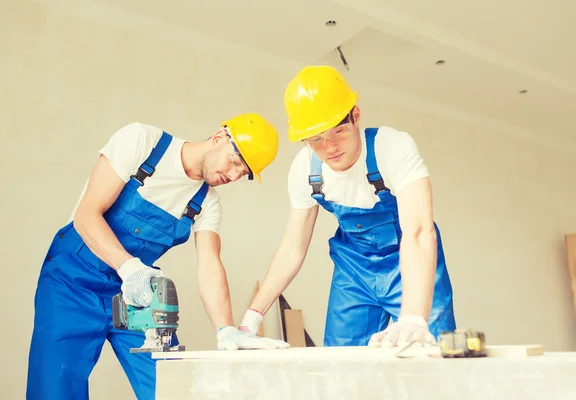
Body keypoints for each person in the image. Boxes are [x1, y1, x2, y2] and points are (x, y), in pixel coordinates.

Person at [26, 113, 290, 400]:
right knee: (55, 388)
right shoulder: (142, 142)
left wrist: (226, 328)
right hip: (72, 283)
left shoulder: (205, 203)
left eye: (244, 173)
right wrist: (129, 268)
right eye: (236, 162)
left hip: (135, 297)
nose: (234, 175)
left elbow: (210, 265)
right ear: (219, 137)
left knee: (168, 386)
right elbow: (87, 215)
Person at [239, 65, 457, 349]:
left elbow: (418, 232)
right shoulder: (305, 169)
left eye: (338, 131)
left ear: (355, 116)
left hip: (409, 260)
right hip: (354, 269)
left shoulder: (391, 147)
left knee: (432, 351)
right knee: (339, 363)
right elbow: (292, 248)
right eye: (315, 139)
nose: (329, 147)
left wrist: (414, 317)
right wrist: (251, 319)